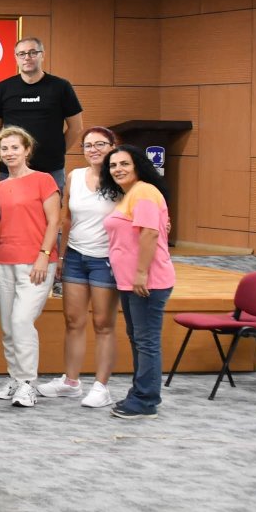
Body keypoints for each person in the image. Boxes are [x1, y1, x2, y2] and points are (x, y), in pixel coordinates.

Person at [47, 126, 124, 408]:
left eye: (100, 144)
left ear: (113, 146)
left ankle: (101, 387)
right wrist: (62, 256)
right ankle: (71, 382)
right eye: (88, 145)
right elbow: (67, 218)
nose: (93, 150)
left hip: (106, 259)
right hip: (76, 257)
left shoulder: (121, 178)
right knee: (73, 321)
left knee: (103, 324)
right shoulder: (75, 176)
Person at [0, 126, 62, 409]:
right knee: (9, 326)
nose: (9, 153)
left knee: (22, 321)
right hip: (4, 261)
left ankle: (27, 383)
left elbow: (54, 221)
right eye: (4, 148)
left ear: (27, 150)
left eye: (15, 147)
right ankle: (14, 378)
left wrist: (44, 255)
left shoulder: (44, 180)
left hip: (36, 263)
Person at [101, 144, 174, 421]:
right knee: (140, 340)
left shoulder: (144, 191)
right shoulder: (130, 194)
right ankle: (140, 393)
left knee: (146, 342)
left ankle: (146, 400)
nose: (117, 169)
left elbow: (149, 234)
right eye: (113, 165)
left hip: (147, 281)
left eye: (124, 164)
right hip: (130, 282)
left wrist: (141, 273)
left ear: (138, 166)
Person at [0, 39, 84, 186]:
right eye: (22, 54)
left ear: (42, 55)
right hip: (11, 168)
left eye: (32, 53)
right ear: (16, 57)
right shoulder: (3, 88)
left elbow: (76, 127)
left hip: (51, 169)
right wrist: (9, 149)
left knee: (52, 202)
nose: (27, 57)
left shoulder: (61, 86)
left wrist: (57, 151)